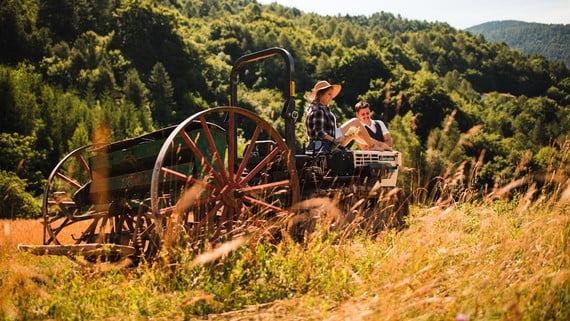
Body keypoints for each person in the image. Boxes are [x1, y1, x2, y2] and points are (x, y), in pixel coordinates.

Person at [304, 80, 382, 152]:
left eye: (332, 95)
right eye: (329, 94)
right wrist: (335, 140)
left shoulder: (319, 108)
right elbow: (319, 133)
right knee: (355, 121)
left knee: (354, 133)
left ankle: (377, 146)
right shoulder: (318, 110)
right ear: (321, 94)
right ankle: (372, 146)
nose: (331, 98)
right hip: (326, 144)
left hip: (330, 140)